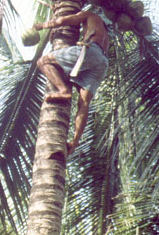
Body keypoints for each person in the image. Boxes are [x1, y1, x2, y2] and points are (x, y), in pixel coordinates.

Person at [33, 11, 109, 154]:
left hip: (90, 51)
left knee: (43, 61)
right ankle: (75, 142)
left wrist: (42, 25)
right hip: (103, 61)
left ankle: (63, 91)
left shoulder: (90, 15)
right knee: (84, 102)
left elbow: (63, 20)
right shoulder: (104, 32)